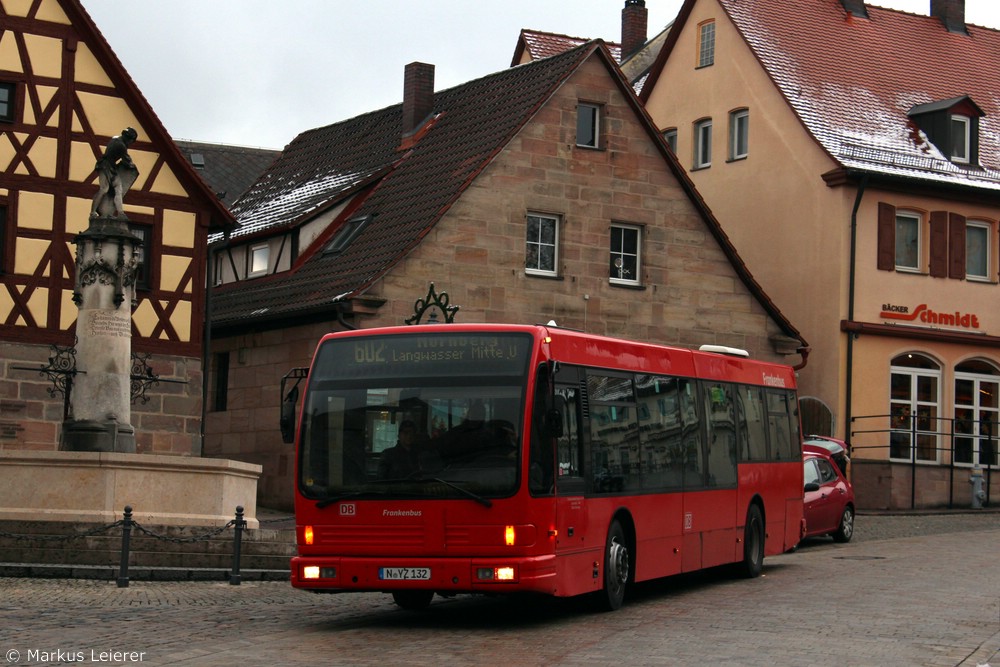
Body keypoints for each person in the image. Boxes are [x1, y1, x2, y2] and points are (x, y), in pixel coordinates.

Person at [91, 127, 139, 219]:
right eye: (131, 141)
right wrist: (131, 165)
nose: (131, 143)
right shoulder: (121, 146)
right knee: (104, 189)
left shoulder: (115, 138)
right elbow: (127, 161)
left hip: (110, 166)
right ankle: (93, 212)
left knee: (118, 188)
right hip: (105, 166)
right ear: (128, 138)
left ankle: (120, 213)